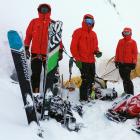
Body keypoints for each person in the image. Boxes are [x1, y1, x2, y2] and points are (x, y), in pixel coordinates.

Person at [24, 3, 63, 93]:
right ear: (39, 10)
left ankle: (49, 94)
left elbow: (58, 39)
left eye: (46, 9)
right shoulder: (34, 22)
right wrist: (26, 48)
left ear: (49, 11)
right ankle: (35, 93)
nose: (44, 11)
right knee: (36, 74)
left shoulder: (53, 23)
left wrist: (60, 51)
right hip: (35, 53)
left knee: (50, 75)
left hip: (50, 53)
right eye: (42, 9)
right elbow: (28, 36)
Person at [70, 14, 102, 103]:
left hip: (91, 60)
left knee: (92, 79)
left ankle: (89, 95)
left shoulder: (93, 34)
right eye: (87, 21)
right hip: (82, 60)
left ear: (93, 22)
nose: (89, 23)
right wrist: (77, 59)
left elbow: (95, 46)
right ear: (84, 21)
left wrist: (97, 52)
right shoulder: (78, 32)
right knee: (85, 79)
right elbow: (73, 47)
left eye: (91, 21)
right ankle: (83, 98)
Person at [115, 27, 138, 95]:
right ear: (123, 33)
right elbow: (117, 51)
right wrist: (116, 61)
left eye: (127, 32)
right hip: (121, 63)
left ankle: (130, 93)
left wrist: (133, 63)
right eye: (125, 32)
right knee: (124, 79)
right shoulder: (120, 41)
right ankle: (126, 92)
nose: (126, 34)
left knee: (127, 79)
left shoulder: (133, 42)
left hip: (128, 64)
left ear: (130, 33)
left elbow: (135, 53)